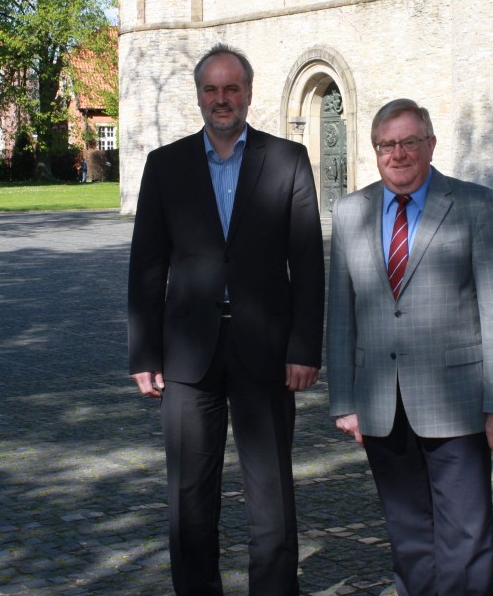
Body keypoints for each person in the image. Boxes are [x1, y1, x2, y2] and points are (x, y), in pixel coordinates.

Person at [128, 43, 325, 596]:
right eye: (212, 89)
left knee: (271, 496)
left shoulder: (287, 160)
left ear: (248, 94)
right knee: (189, 497)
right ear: (199, 96)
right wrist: (143, 353)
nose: (222, 99)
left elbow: (307, 262)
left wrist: (305, 346)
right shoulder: (165, 166)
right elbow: (146, 265)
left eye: (231, 88)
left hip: (267, 350)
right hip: (188, 355)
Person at [327, 98, 493, 596]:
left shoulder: (474, 205)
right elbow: (341, 314)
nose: (398, 154)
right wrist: (344, 401)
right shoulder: (351, 212)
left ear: (430, 145)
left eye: (409, 142)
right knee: (408, 536)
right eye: (386, 145)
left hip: (458, 401)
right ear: (375, 151)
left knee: (465, 536)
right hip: (380, 404)